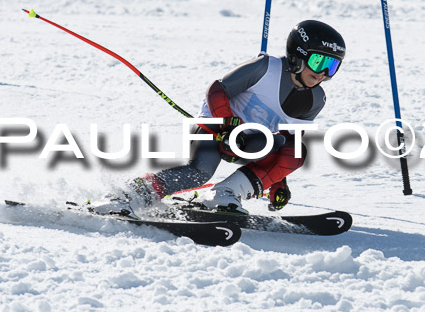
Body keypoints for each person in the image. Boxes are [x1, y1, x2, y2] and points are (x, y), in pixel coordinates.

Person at [95, 20, 345, 217]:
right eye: (318, 61)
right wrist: (226, 126)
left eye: (332, 66)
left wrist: (278, 180)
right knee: (199, 173)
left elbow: (289, 142)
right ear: (297, 55)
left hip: (251, 144)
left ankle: (224, 195)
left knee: (296, 151)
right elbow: (218, 90)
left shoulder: (315, 100)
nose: (323, 73)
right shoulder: (265, 67)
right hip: (214, 131)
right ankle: (128, 195)